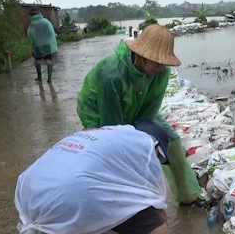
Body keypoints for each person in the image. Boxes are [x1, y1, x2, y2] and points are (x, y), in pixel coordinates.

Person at [13, 121, 207, 234]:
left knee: (51, 203)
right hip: (69, 189)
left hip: (31, 188)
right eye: (158, 157)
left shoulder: (104, 134)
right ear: (156, 146)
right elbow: (155, 202)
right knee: (146, 212)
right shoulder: (144, 145)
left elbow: (63, 188)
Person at [76, 24, 203, 205]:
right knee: (108, 153)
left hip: (138, 104)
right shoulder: (111, 74)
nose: (161, 68)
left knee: (172, 140)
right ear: (142, 56)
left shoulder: (161, 72)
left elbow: (150, 110)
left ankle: (187, 195)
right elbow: (111, 126)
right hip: (99, 109)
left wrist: (144, 136)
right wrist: (128, 143)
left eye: (164, 63)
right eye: (157, 62)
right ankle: (109, 204)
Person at [27, 9, 59, 83]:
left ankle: (39, 77)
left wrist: (34, 41)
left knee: (37, 60)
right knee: (49, 60)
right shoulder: (46, 22)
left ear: (32, 15)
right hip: (48, 44)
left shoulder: (33, 24)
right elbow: (52, 33)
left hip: (37, 45)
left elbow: (30, 34)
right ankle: (49, 79)